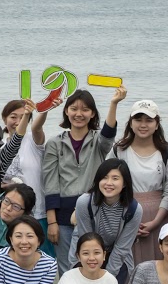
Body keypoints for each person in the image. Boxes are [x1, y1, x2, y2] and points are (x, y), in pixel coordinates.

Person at [43, 87, 121, 258]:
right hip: (62, 217)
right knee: (67, 268)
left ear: (92, 114)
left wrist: (113, 103)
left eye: (85, 109)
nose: (79, 114)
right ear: (66, 111)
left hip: (93, 214)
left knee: (93, 265)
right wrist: (52, 222)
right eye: (74, 108)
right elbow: (50, 183)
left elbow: (108, 134)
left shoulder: (98, 142)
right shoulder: (55, 143)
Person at [66, 159, 142, 284]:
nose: (109, 183)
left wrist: (107, 278)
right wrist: (94, 273)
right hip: (86, 253)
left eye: (115, 178)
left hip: (116, 255)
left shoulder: (134, 209)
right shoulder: (84, 203)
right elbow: (86, 242)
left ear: (124, 183)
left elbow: (122, 248)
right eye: (104, 178)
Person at [112, 99, 168, 266]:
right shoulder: (119, 150)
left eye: (149, 120)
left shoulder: (166, 152)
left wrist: (156, 222)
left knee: (157, 265)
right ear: (130, 123)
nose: (143, 125)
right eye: (138, 120)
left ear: (157, 124)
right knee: (128, 267)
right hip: (125, 214)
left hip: (159, 215)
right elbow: (107, 183)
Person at [1, 98, 50, 223]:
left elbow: (37, 128)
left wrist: (45, 109)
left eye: (23, 117)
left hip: (37, 213)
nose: (18, 122)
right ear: (4, 118)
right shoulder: (0, 149)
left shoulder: (33, 140)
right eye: (13, 117)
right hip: (10, 215)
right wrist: (9, 186)